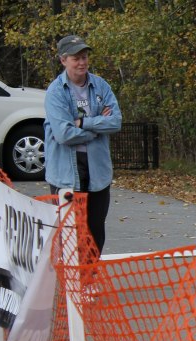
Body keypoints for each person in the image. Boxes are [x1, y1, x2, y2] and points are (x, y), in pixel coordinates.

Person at [44, 34, 122, 256]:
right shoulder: (55, 92)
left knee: (95, 229)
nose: (82, 62)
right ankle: (72, 285)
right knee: (71, 230)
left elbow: (115, 121)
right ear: (63, 60)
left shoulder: (101, 86)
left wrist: (83, 122)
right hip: (66, 172)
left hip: (97, 170)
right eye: (76, 58)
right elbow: (64, 134)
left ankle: (90, 279)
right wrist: (97, 129)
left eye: (84, 57)